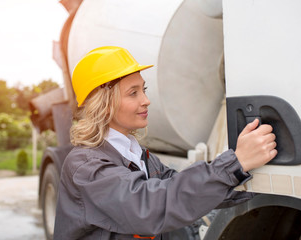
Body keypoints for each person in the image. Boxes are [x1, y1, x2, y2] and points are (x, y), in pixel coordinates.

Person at [54, 46, 277, 240]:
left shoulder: (141, 157)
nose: (146, 100)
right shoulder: (86, 167)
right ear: (104, 104)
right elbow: (150, 206)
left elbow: (184, 191)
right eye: (133, 93)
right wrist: (235, 163)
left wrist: (259, 180)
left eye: (144, 90)